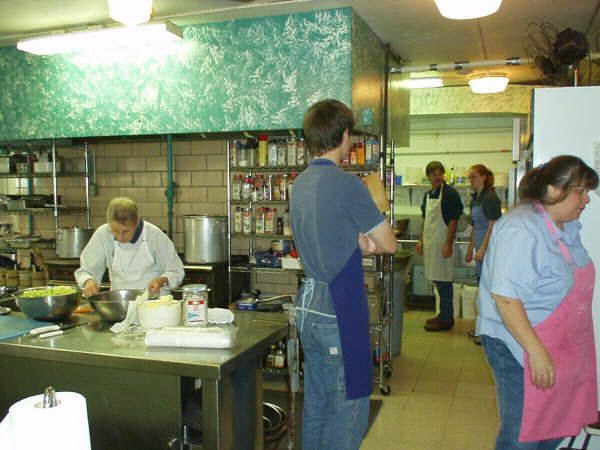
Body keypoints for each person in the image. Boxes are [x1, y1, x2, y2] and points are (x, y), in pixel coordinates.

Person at [289, 99, 396, 450]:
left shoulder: (300, 185)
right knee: (349, 402)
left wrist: (361, 244)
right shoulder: (348, 184)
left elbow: (333, 235)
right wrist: (370, 239)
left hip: (308, 302)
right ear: (345, 135)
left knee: (318, 400)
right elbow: (390, 243)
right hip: (338, 303)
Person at [477, 155, 598, 449]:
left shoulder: (565, 228)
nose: (586, 200)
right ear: (556, 190)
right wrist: (536, 352)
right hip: (517, 343)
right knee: (523, 436)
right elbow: (506, 298)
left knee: (553, 427)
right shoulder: (521, 228)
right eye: (581, 191)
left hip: (555, 344)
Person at [75, 197, 184, 297]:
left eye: (125, 231)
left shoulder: (154, 235)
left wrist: (161, 280)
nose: (120, 237)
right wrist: (88, 281)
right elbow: (86, 270)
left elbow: (176, 271)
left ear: (136, 223)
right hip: (119, 304)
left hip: (154, 304)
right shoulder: (103, 234)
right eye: (115, 231)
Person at [417, 161, 463, 331]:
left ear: (443, 175)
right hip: (431, 244)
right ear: (428, 177)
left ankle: (446, 319)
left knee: (444, 282)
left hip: (443, 243)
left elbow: (453, 221)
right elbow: (424, 219)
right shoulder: (429, 195)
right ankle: (443, 314)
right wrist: (420, 240)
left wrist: (448, 243)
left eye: (439, 173)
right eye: (433, 174)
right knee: (438, 281)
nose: (436, 177)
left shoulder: (450, 194)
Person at [465, 164, 502, 345]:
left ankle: (486, 332)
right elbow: (475, 227)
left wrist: (483, 248)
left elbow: (493, 224)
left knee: (487, 290)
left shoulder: (490, 198)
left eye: (474, 176)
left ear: (484, 178)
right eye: (470, 177)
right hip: (479, 245)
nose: (471, 180)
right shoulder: (476, 199)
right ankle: (481, 328)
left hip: (489, 248)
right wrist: (470, 248)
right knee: (481, 288)